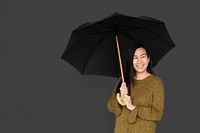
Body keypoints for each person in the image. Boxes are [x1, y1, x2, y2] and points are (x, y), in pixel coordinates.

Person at [107, 44, 165, 133]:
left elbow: (157, 114)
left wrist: (132, 107)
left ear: (148, 59)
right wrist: (120, 98)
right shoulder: (123, 80)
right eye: (135, 57)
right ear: (131, 61)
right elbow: (110, 107)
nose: (139, 61)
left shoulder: (156, 83)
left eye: (142, 56)